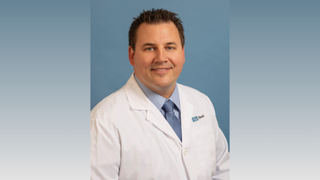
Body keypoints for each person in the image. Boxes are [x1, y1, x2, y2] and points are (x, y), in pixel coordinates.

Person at [91, 9, 229, 180]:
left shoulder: (202, 103)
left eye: (170, 47)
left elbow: (224, 171)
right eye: (150, 48)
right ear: (132, 56)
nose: (161, 58)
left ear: (182, 53)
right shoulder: (104, 121)